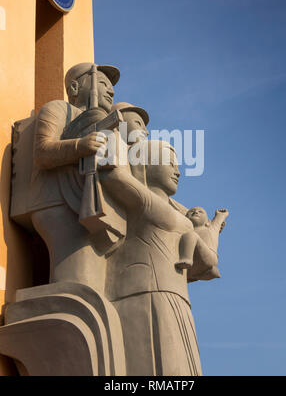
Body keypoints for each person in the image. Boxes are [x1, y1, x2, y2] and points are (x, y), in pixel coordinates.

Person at [99, 140, 214, 375]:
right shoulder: (145, 200)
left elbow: (208, 263)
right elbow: (114, 176)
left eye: (177, 164)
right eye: (170, 163)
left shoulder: (177, 212)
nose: (178, 171)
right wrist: (112, 137)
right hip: (146, 292)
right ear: (146, 163)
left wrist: (209, 230)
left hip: (177, 296)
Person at [30, 62, 120, 292]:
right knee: (78, 273)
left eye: (112, 88)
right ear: (74, 87)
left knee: (98, 274)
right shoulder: (58, 109)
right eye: (102, 84)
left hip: (87, 202)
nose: (110, 91)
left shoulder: (106, 123)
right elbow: (42, 153)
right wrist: (81, 145)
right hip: (58, 203)